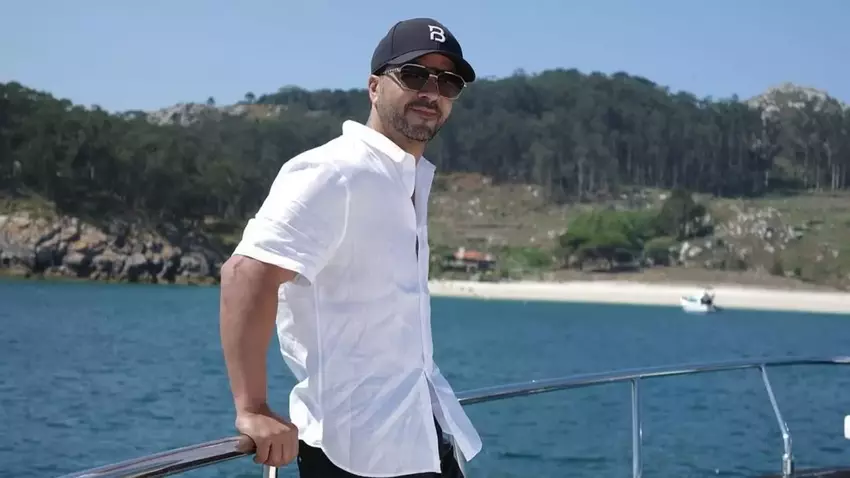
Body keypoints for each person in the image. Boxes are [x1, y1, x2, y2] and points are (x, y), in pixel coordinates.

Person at [218, 17, 481, 478]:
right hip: (355, 455)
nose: (431, 92)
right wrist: (253, 408)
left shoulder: (406, 179)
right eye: (415, 75)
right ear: (374, 87)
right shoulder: (335, 171)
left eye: (448, 82)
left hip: (419, 437)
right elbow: (246, 273)